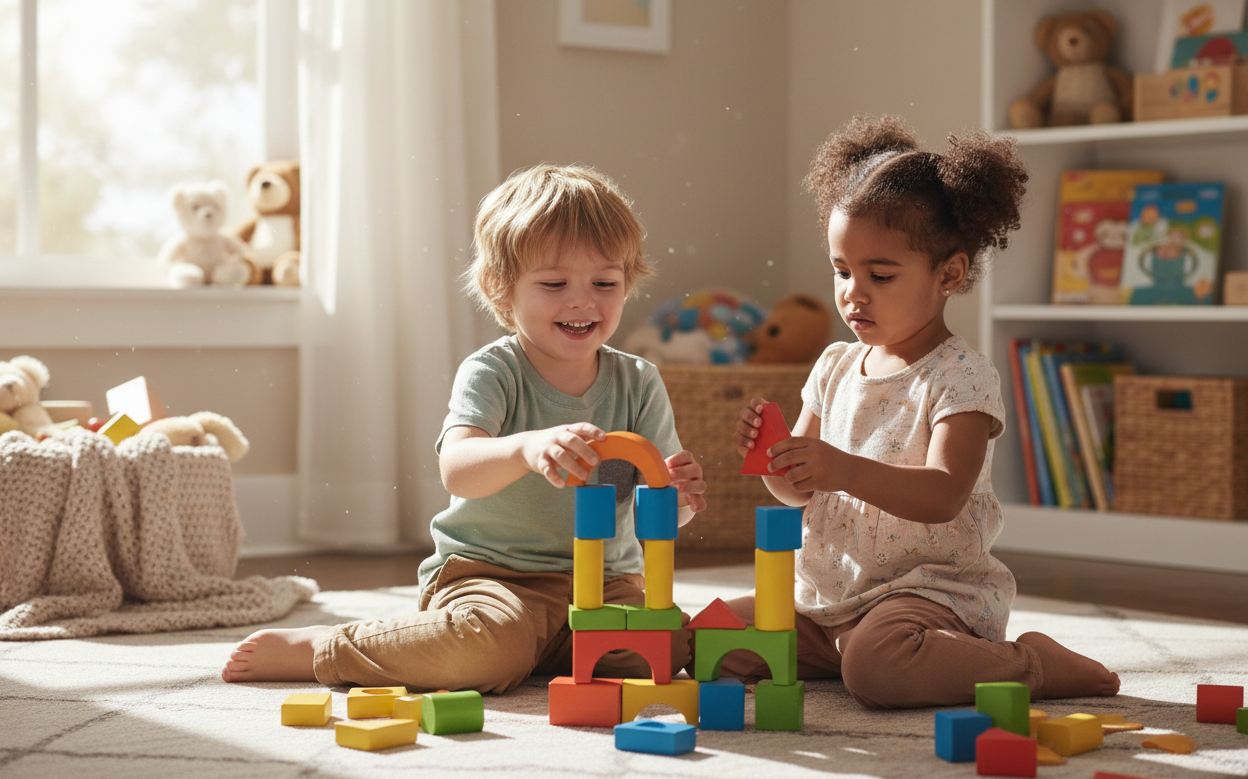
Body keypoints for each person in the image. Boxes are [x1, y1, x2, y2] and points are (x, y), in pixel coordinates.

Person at [223, 164, 707, 691]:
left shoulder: (639, 381)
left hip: (605, 584)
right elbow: (458, 470)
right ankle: (330, 647)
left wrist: (678, 496)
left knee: (668, 648)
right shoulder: (493, 371)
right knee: (485, 649)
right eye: (553, 283)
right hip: (493, 577)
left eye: (605, 283)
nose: (582, 300)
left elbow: (659, 514)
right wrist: (525, 449)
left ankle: (539, 648)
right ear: (501, 290)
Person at [724, 115, 1120, 709]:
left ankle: (1032, 664)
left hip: (926, 596)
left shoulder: (961, 376)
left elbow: (943, 495)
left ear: (949, 274)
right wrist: (775, 458)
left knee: (878, 668)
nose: (853, 292)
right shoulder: (833, 365)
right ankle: (847, 654)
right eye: (841, 271)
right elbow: (796, 492)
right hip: (826, 600)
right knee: (709, 634)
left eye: (880, 275)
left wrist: (841, 469)